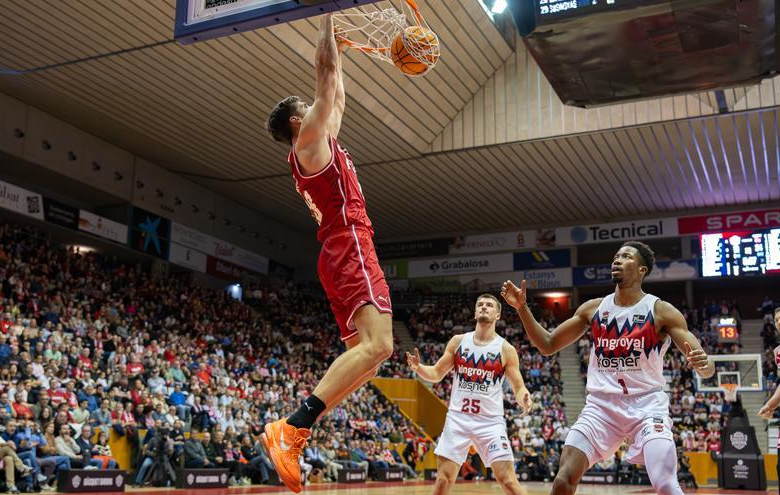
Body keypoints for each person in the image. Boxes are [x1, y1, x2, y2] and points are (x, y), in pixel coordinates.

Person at [263, 13, 393, 493]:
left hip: (337, 252)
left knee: (370, 358)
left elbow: (335, 91)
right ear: (298, 121)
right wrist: (327, 19)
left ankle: (295, 430)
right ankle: (292, 427)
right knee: (381, 346)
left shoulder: (319, 144)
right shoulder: (310, 141)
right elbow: (326, 75)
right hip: (349, 242)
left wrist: (337, 47)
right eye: (309, 105)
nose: (320, 104)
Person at [501, 241, 715, 495]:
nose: (617, 260)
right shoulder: (594, 308)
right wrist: (522, 308)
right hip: (601, 408)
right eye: (616, 256)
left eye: (625, 257)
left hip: (646, 406)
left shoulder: (661, 311)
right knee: (562, 481)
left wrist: (705, 365)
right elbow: (547, 345)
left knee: (665, 484)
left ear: (642, 270)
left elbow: (707, 366)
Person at [406, 294, 531, 495]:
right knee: (443, 481)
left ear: (497, 314)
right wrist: (418, 367)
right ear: (474, 312)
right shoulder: (458, 342)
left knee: (508, 481)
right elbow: (437, 373)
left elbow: (518, 386)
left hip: (489, 422)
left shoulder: (506, 349)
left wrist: (524, 396)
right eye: (480, 304)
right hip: (458, 419)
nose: (484, 307)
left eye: (489, 305)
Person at [757, 307, 780, 481]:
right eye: (777, 319)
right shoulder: (778, 351)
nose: (779, 322)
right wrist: (771, 404)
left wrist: (771, 404)